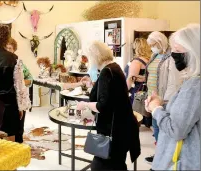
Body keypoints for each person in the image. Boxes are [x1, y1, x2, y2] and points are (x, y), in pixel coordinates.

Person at [76, 41, 140, 170]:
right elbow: (110, 94)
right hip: (123, 127)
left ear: (95, 56)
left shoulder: (106, 72)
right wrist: (94, 85)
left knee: (105, 165)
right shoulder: (114, 67)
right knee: (116, 163)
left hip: (114, 130)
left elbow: (103, 106)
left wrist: (85, 104)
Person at [145, 24, 200, 170]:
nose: (174, 54)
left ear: (192, 52)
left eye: (177, 50)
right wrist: (161, 105)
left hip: (180, 162)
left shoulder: (194, 86)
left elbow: (176, 129)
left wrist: (156, 108)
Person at [144, 31, 183, 164]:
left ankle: (164, 159)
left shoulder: (171, 58)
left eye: (153, 44)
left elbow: (173, 83)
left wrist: (165, 101)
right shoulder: (154, 55)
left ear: (160, 42)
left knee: (163, 131)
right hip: (153, 99)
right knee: (156, 130)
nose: (151, 47)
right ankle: (159, 155)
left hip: (163, 100)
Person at [6, 37, 33, 143]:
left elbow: (30, 79)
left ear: (14, 50)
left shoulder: (18, 63)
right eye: (6, 48)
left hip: (19, 97)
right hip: (8, 98)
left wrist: (19, 82)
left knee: (19, 127)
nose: (8, 50)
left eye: (10, 48)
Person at [124, 38, 151, 104]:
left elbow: (131, 79)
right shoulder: (148, 60)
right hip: (142, 92)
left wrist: (122, 92)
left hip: (133, 92)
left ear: (137, 48)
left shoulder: (137, 62)